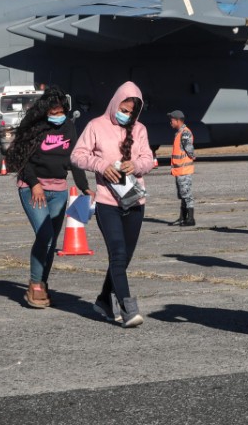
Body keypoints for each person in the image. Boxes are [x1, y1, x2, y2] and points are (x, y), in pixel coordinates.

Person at [71, 82, 154, 327]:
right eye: (123, 109)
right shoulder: (95, 126)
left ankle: (103, 301)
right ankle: (128, 308)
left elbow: (149, 159)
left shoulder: (139, 130)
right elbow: (77, 155)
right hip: (107, 202)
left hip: (135, 201)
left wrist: (136, 166)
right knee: (117, 254)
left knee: (123, 259)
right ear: (115, 103)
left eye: (131, 112)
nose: (126, 115)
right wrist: (100, 166)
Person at [5, 87, 94, 308]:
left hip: (59, 190)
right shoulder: (35, 127)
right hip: (33, 187)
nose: (57, 116)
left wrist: (84, 187)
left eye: (60, 112)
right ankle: (35, 283)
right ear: (45, 111)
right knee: (44, 235)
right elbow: (21, 158)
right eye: (52, 112)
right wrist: (34, 184)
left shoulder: (70, 127)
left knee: (51, 240)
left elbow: (75, 159)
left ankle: (42, 283)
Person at [168, 109, 196, 227]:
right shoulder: (179, 132)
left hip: (184, 170)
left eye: (172, 120)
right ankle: (182, 218)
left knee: (187, 195)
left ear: (178, 120)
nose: (170, 122)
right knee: (183, 195)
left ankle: (190, 219)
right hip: (179, 170)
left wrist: (193, 156)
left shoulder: (185, 133)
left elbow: (188, 148)